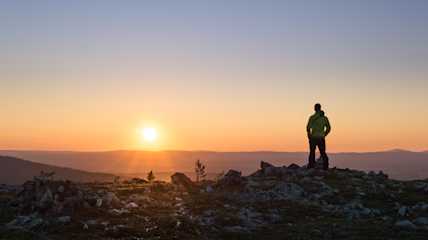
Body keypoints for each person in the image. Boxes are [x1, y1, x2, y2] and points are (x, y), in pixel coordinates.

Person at [306, 103, 331, 170]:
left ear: (315, 108)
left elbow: (308, 128)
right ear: (320, 108)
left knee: (312, 152)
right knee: (323, 152)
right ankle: (325, 166)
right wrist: (324, 134)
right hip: (321, 138)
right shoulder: (324, 118)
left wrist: (309, 135)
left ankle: (311, 166)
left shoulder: (312, 117)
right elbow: (328, 128)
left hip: (313, 137)